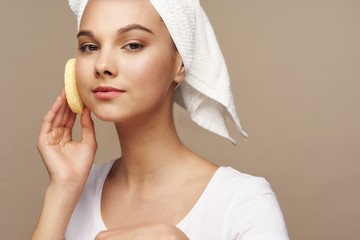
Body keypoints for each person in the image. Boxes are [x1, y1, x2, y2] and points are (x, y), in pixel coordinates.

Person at [31, 0, 289, 239]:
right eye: (90, 47)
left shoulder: (242, 202)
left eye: (132, 45)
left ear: (180, 63)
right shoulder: (74, 192)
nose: (102, 65)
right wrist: (62, 189)